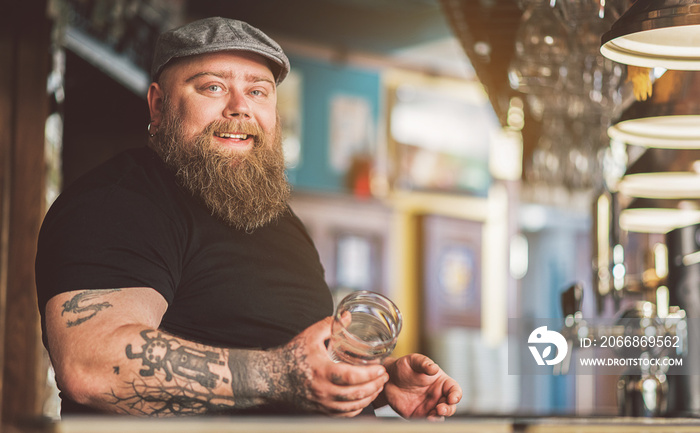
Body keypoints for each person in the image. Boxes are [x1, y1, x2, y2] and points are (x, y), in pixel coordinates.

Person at [35, 17, 462, 418]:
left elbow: (293, 360)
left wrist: (376, 383)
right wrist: (278, 374)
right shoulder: (120, 202)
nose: (240, 107)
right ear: (159, 105)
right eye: (213, 87)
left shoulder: (279, 220)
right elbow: (89, 364)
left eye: (258, 91)